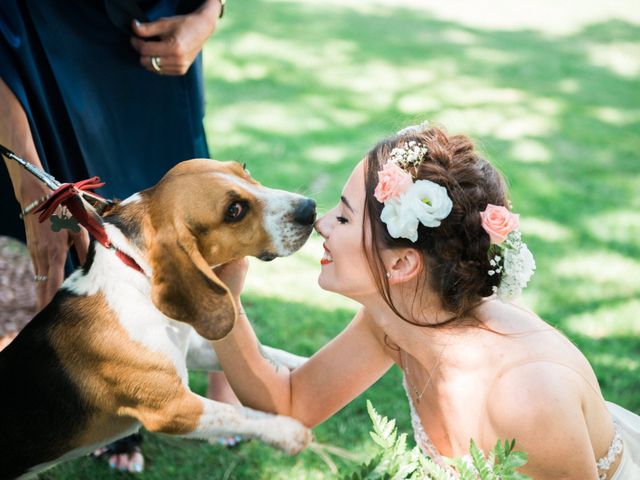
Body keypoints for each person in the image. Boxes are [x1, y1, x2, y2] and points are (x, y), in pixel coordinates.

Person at [211, 123, 640, 479]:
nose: (321, 224)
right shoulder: (397, 320)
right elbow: (290, 405)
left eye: (343, 217)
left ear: (401, 264)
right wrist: (222, 299)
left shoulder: (528, 396)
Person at [0, 0, 239, 472]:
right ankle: (112, 393)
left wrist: (208, 13)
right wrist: (28, 177)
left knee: (197, 208)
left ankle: (228, 377)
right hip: (50, 36)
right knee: (89, 226)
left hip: (158, 35)